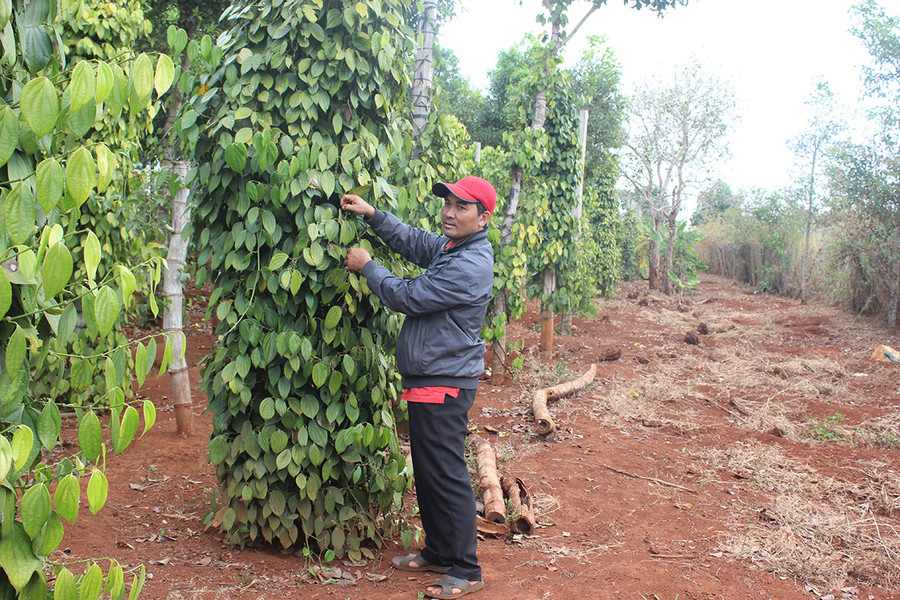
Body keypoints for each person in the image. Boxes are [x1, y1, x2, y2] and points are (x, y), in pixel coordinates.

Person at [340, 176, 495, 600]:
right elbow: (414, 241)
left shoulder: (469, 263)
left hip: (444, 380)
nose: (449, 212)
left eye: (462, 207)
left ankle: (466, 568)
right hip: (430, 375)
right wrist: (373, 215)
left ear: (482, 218)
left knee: (446, 474)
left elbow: (408, 296)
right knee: (428, 473)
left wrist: (368, 266)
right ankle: (440, 551)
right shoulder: (453, 247)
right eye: (447, 203)